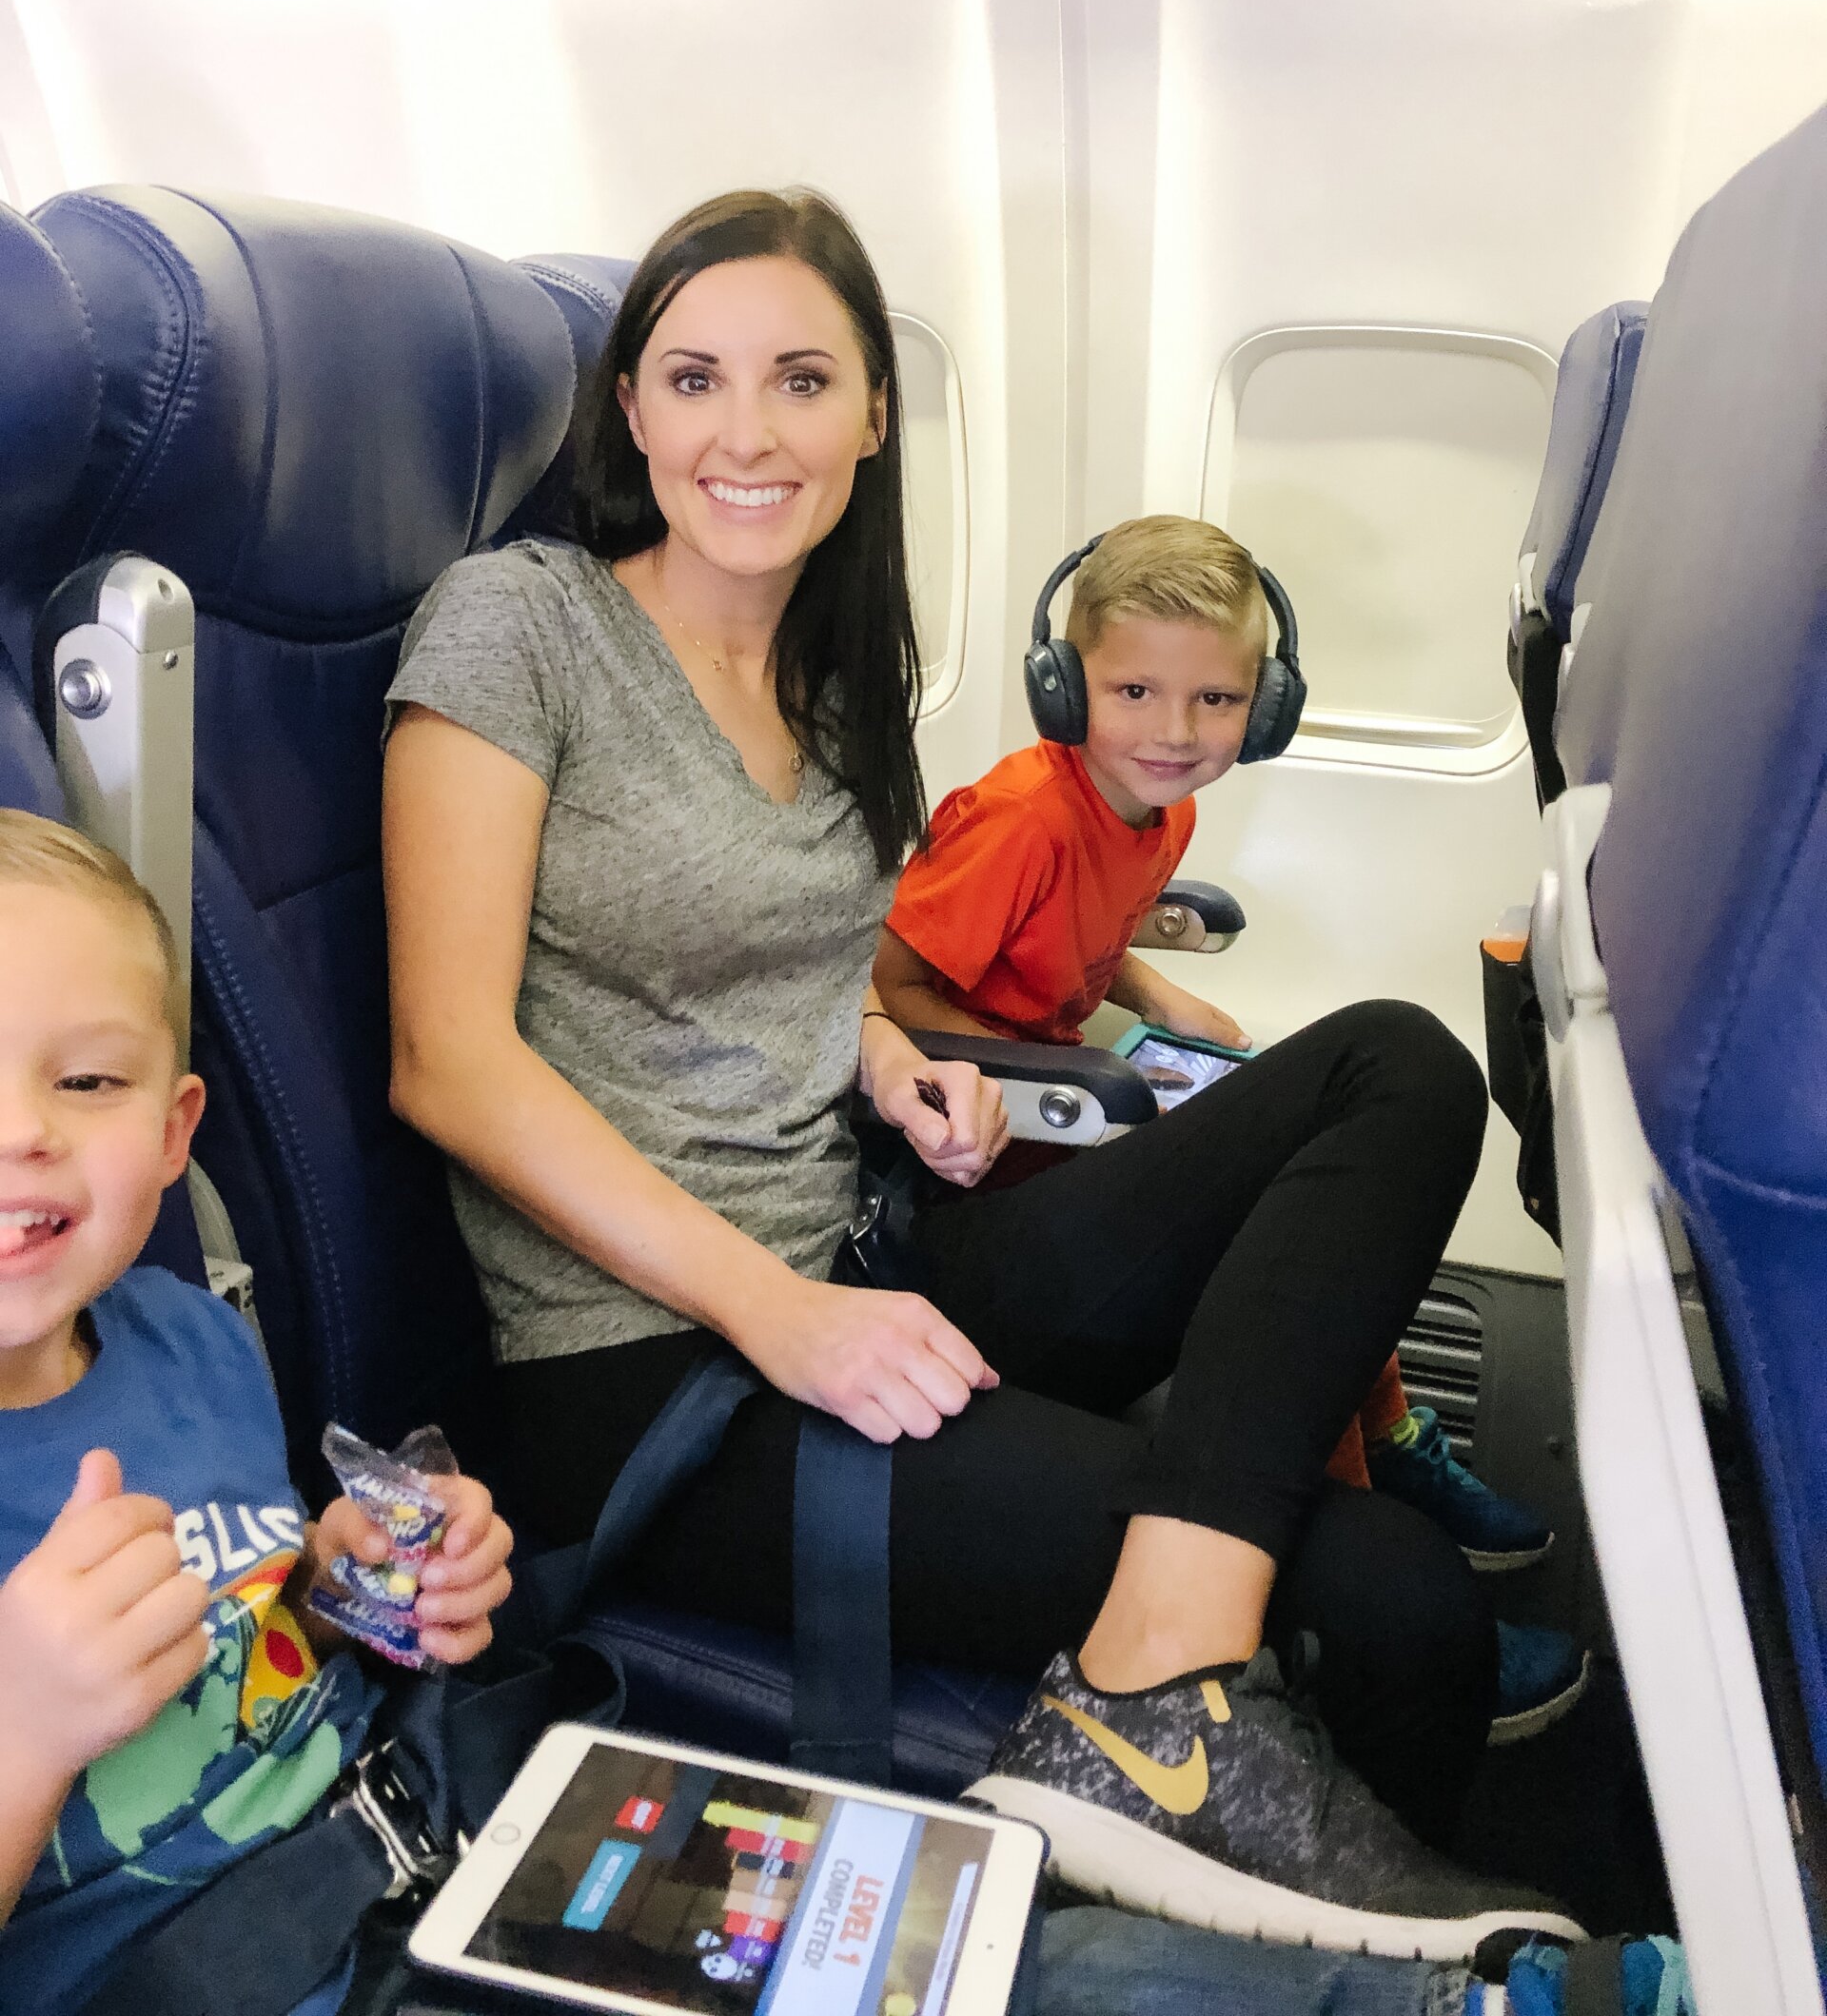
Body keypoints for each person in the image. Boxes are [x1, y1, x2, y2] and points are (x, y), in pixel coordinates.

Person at [381, 185, 1577, 1956]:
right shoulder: (520, 627)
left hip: (868, 1251)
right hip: (652, 1369)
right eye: (695, 379)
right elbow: (450, 1062)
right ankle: (1225, 1795)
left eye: (803, 380)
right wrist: (780, 1320)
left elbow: (801, 955)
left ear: (874, 415)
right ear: (629, 407)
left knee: (1395, 1067)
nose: (748, 432)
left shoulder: (837, 670)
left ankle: (1150, 1696)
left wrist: (877, 1059)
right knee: (1399, 1601)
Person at [873, 515, 1585, 1747]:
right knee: (1293, 1207)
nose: (1175, 730)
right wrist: (1038, 1065)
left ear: (1263, 709)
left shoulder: (1163, 816)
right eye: (1133, 690)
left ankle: (1389, 1433)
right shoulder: (1023, 818)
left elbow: (1080, 944)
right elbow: (890, 983)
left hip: (1066, 1103)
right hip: (984, 1158)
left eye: (1216, 699)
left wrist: (1152, 995)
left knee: (1324, 1201)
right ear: (1063, 686)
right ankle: (1353, 1522)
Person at [0, 812, 515, 2015]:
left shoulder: (195, 1338)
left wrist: (353, 1592)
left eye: (86, 1081)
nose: (25, 1130)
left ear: (174, 1130)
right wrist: (22, 1732)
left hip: (405, 1867)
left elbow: (256, 1646)